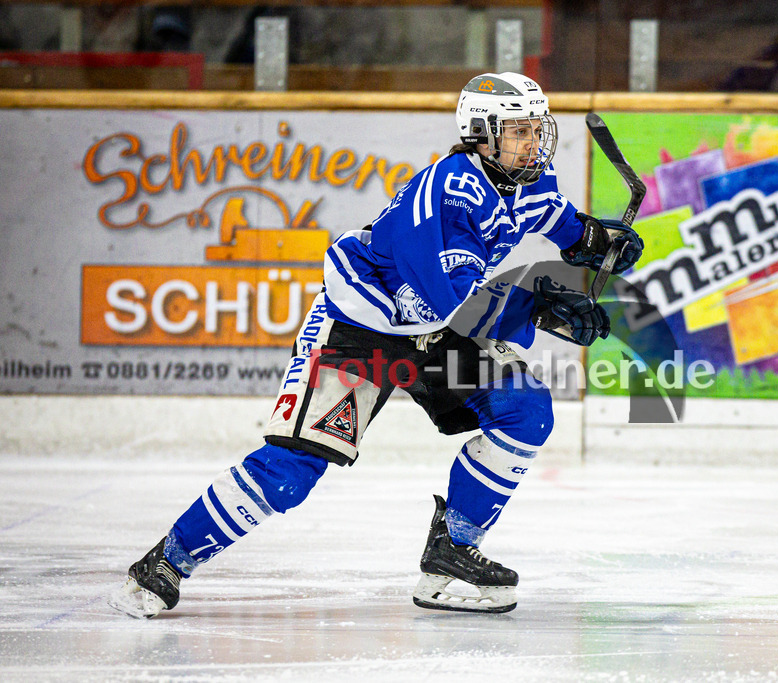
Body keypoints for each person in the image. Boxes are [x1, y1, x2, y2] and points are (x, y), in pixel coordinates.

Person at [108, 72, 643, 616]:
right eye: (518, 131)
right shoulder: (452, 192)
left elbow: (557, 221)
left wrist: (597, 241)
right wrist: (540, 308)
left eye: (536, 129)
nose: (533, 143)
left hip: (431, 327)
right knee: (292, 471)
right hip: (362, 325)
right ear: (481, 134)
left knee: (523, 409)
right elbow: (449, 304)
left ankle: (452, 554)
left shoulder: (528, 179)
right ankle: (166, 562)